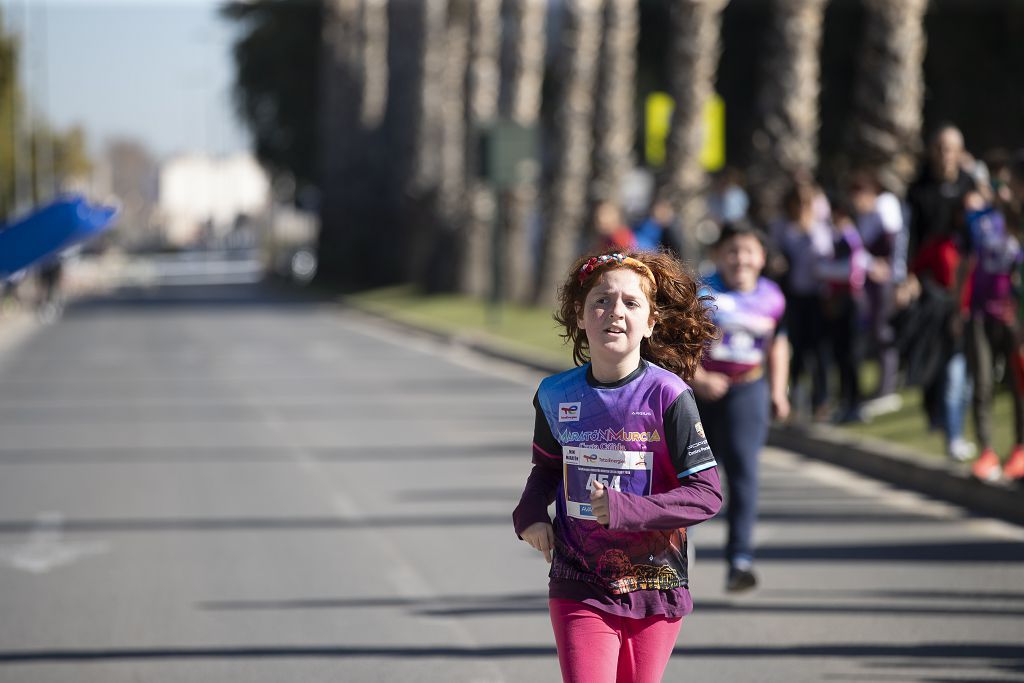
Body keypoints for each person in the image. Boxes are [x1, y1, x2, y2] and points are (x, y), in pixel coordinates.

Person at [513, 249, 722, 683]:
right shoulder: (555, 395)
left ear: (650, 323)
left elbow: (707, 494)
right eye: (602, 301)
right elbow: (548, 469)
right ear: (581, 316)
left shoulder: (668, 395)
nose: (615, 312)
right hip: (578, 580)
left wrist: (627, 509)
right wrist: (530, 515)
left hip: (655, 584)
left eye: (632, 302)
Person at [690, 220, 790, 593]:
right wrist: (698, 377)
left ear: (762, 258)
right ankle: (674, 549)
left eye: (748, 251)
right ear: (719, 255)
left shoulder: (774, 297)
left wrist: (779, 392)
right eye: (732, 251)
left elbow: (778, 344)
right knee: (691, 476)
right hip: (698, 396)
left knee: (745, 476)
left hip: (748, 392)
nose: (740, 259)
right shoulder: (702, 293)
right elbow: (678, 344)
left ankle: (740, 561)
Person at [960, 186, 1024, 481]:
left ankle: (1020, 450)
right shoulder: (978, 221)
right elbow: (966, 263)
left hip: (1012, 317)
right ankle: (987, 451)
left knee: (1018, 384)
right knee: (983, 382)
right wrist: (958, 306)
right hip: (979, 313)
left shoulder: (1018, 222)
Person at [770, 180, 834, 420]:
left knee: (819, 351)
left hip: (816, 297)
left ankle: (822, 400)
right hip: (791, 297)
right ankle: (793, 397)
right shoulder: (782, 228)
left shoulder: (819, 229)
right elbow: (773, 254)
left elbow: (825, 256)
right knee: (793, 347)